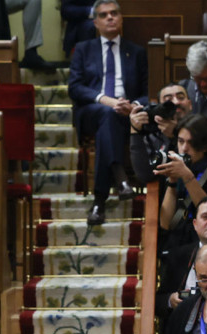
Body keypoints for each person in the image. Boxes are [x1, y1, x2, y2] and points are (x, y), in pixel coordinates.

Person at [68, 0, 149, 225]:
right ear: (96, 22)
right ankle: (119, 175)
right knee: (107, 115)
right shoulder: (83, 49)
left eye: (114, 13)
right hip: (93, 112)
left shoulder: (137, 52)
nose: (110, 18)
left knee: (110, 121)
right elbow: (74, 88)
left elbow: (147, 92)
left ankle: (99, 202)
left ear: (121, 19)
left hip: (127, 115)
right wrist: (106, 100)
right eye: (104, 15)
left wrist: (132, 106)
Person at [151, 113, 207, 249]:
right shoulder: (174, 165)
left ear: (205, 146)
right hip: (175, 240)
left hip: (203, 241)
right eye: (181, 141)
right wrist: (172, 181)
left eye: (191, 143)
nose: (184, 148)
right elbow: (165, 223)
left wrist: (187, 176)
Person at [156, 195, 207, 320]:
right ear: (195, 224)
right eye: (205, 217)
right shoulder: (178, 256)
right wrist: (171, 300)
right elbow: (158, 300)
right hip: (185, 329)